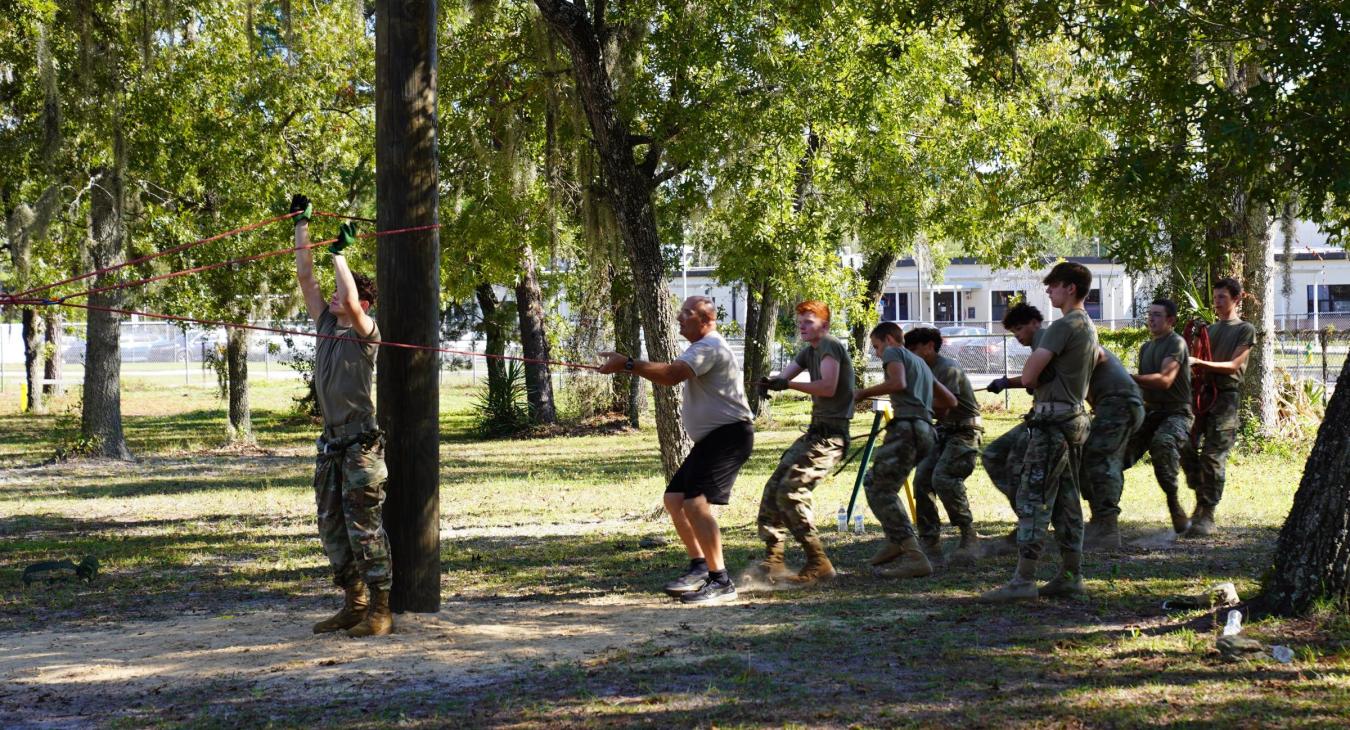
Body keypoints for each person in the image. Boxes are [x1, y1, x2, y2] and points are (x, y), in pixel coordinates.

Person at [597, 296, 754, 604]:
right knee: (675, 500)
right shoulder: (700, 347)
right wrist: (626, 366)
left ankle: (721, 582)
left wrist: (627, 364)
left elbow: (671, 376)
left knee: (695, 504)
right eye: (681, 312)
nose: (680, 317)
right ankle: (700, 566)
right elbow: (671, 372)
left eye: (687, 313)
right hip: (714, 438)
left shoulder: (709, 346)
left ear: (707, 320)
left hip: (730, 436)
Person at [291, 194, 393, 638]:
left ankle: (381, 610)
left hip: (360, 448)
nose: (333, 298)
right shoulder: (326, 327)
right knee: (332, 529)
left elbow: (349, 299)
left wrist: (340, 255)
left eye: (344, 295)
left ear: (364, 305)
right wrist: (301, 227)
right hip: (331, 446)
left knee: (364, 531)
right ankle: (354, 604)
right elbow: (305, 278)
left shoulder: (366, 333)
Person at [979, 262, 1097, 603]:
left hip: (1052, 423)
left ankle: (1023, 580)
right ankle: (1071, 577)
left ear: (1070, 288)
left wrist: (1025, 378)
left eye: (1053, 285)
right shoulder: (1087, 325)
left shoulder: (1063, 325)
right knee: (1066, 500)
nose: (1048, 290)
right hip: (1073, 418)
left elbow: (1030, 377)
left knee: (1033, 499)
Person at [754, 301, 854, 584]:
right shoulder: (809, 351)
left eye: (808, 321)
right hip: (815, 433)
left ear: (825, 325)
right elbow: (785, 376)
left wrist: (787, 385)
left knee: (791, 491)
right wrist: (771, 382)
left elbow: (827, 387)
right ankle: (773, 560)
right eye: (800, 322)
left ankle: (818, 562)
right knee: (774, 488)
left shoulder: (830, 345)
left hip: (832, 437)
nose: (802, 327)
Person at [854, 322, 957, 579]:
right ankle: (895, 540)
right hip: (926, 431)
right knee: (883, 485)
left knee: (878, 487)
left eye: (876, 346)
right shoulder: (920, 363)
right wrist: (923, 407)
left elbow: (897, 382)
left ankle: (913, 554)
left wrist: (862, 393)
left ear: (889, 339)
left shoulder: (894, 351)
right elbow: (950, 401)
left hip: (907, 429)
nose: (877, 353)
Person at [1181, 278, 1256, 536]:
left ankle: (1207, 513)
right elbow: (1195, 359)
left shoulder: (1245, 329)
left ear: (1236, 298)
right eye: (1215, 297)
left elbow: (1234, 365)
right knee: (1184, 444)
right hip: (1201, 395)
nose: (1217, 302)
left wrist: (1199, 363)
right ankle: (1201, 499)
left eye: (1222, 297)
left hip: (1225, 398)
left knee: (1213, 456)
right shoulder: (1209, 330)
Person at [903, 327, 983, 566]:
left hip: (965, 431)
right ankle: (930, 542)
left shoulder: (947, 368)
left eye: (915, 349)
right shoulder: (922, 369)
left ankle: (969, 535)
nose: (911, 354)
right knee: (922, 480)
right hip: (944, 431)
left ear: (930, 346)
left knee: (943, 477)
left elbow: (943, 408)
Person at [1127, 298, 1194, 535]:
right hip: (1151, 411)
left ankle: (1174, 503)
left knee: (1163, 444)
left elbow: (1165, 380)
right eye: (1150, 314)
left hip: (1177, 412)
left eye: (1157, 315)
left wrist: (1128, 378)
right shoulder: (1146, 348)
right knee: (1115, 449)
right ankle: (1104, 515)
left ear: (1170, 320)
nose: (1151, 319)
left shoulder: (1176, 343)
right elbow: (1143, 387)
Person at [981, 303, 1043, 553]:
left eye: (1019, 328)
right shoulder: (1038, 346)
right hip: (1035, 416)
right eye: (1013, 331)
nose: (1017, 335)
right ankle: (1024, 517)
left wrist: (1007, 382)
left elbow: (1033, 379)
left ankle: (1030, 526)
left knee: (1016, 467)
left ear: (1035, 323)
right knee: (993, 455)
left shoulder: (1045, 341)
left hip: (1049, 419)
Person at [1078, 343, 1144, 550]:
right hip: (1116, 405)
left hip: (1120, 404)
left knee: (1100, 460)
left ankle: (1108, 528)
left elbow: (1096, 355)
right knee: (1089, 458)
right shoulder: (1074, 348)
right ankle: (1100, 521)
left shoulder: (1081, 345)